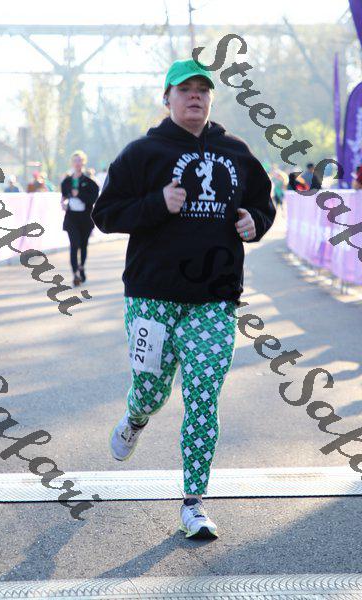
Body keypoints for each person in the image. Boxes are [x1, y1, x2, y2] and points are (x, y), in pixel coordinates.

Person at [92, 58, 275, 540]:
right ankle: (135, 416)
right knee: (152, 391)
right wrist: (157, 204)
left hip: (214, 299)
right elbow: (105, 214)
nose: (195, 95)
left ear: (210, 98)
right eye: (185, 88)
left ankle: (194, 502)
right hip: (152, 297)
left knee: (203, 397)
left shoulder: (236, 151)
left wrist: (255, 221)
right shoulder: (142, 153)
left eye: (202, 89)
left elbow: (263, 203)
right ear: (167, 98)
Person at [61, 150, 99, 286]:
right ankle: (75, 274)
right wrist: (63, 203)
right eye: (75, 161)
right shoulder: (66, 182)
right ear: (72, 163)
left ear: (84, 162)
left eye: (80, 161)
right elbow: (64, 197)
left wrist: (79, 194)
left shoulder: (90, 182)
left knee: (83, 245)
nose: (77, 163)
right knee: (74, 245)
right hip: (71, 218)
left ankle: (81, 267)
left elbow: (93, 199)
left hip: (85, 218)